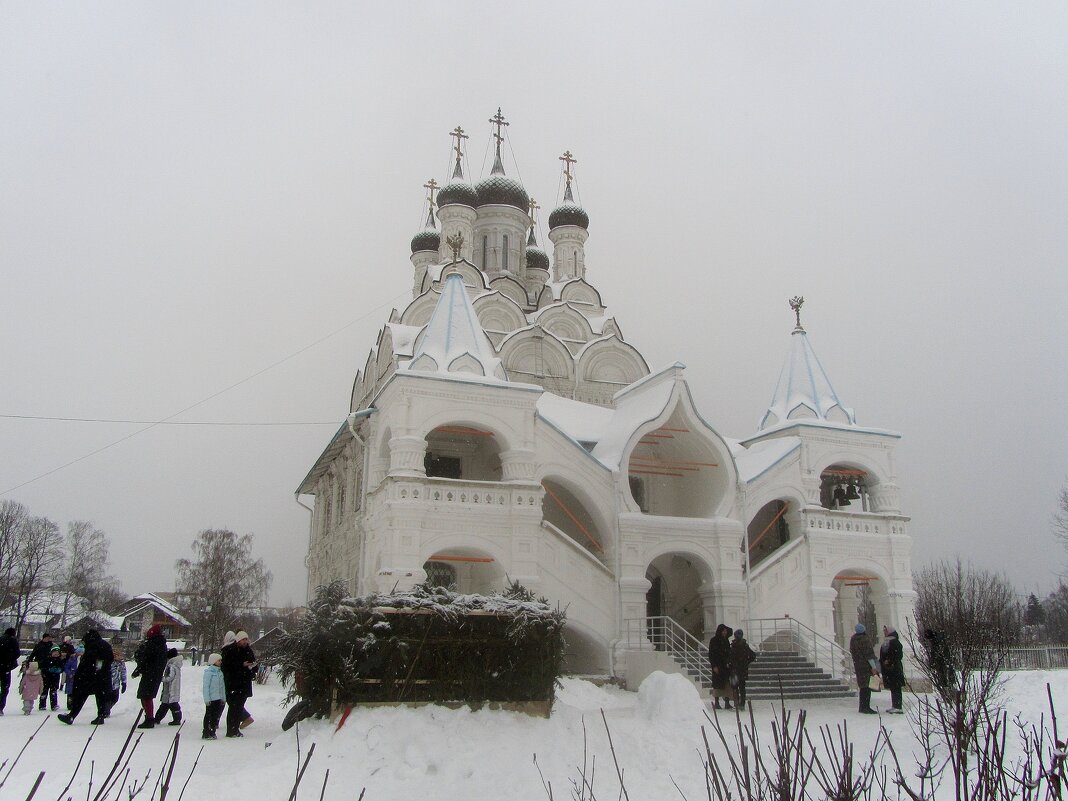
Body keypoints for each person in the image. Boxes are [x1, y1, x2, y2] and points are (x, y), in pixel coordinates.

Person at [57, 630, 114, 725]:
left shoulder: (93, 646)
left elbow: (88, 662)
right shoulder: (104, 645)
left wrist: (82, 673)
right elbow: (109, 659)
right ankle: (100, 716)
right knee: (100, 696)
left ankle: (72, 716)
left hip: (89, 677)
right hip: (101, 677)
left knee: (81, 696)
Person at [131, 624, 168, 728]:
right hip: (156, 674)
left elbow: (145, 659)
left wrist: (138, 670)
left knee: (145, 696)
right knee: (147, 696)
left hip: (149, 674)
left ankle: (149, 718)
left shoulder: (152, 644)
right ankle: (149, 717)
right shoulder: (162, 645)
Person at [221, 630, 257, 737]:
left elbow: (253, 664)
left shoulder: (248, 650)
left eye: (246, 639)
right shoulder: (231, 650)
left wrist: (253, 667)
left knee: (238, 707)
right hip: (233, 684)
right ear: (238, 640)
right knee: (234, 708)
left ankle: (235, 729)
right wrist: (241, 665)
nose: (245, 641)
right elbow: (227, 667)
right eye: (243, 639)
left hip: (244, 684)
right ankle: (232, 730)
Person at [850, 623, 879, 714]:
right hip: (866, 666)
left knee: (863, 687)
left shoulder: (853, 639)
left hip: (858, 665)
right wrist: (874, 667)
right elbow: (869, 655)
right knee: (867, 686)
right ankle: (866, 707)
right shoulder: (865, 639)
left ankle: (862, 706)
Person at [879, 625, 906, 714]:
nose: (884, 632)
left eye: (885, 630)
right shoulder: (887, 641)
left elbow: (898, 655)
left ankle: (898, 706)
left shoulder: (894, 642)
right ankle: (895, 705)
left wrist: (889, 661)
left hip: (894, 668)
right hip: (889, 669)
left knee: (896, 687)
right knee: (893, 687)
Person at [729, 628, 757, 710]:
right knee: (741, 688)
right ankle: (741, 704)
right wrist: (746, 662)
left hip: (735, 669)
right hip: (741, 669)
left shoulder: (735, 645)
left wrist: (732, 663)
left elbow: (730, 656)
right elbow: (752, 656)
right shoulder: (744, 645)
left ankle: (738, 703)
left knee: (736, 688)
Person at [708, 624, 734, 710]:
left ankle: (727, 702)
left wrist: (729, 662)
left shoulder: (726, 640)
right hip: (718, 665)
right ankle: (717, 702)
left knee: (727, 684)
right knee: (717, 685)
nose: (725, 632)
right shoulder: (714, 640)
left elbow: (728, 653)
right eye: (723, 631)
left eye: (725, 631)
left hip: (725, 666)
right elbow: (711, 654)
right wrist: (714, 665)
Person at [154, 648, 183, 725]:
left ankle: (176, 720)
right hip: (173, 689)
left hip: (170, 689)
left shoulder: (171, 666)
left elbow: (170, 678)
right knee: (166, 705)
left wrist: (160, 678)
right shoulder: (176, 665)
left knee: (171, 705)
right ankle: (157, 719)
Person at [924, 628, 955, 697]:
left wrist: (932, 662)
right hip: (944, 661)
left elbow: (935, 653)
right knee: (946, 676)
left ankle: (947, 691)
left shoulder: (936, 641)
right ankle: (947, 689)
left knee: (945, 676)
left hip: (943, 661)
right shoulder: (938, 638)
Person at [202, 652, 225, 739]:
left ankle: (213, 731)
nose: (220, 662)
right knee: (209, 715)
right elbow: (206, 687)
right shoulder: (209, 673)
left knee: (215, 716)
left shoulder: (220, 672)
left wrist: (223, 698)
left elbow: (222, 687)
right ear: (213, 661)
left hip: (218, 699)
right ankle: (206, 732)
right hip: (211, 699)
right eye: (219, 660)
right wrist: (207, 699)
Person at [104, 637, 127, 718]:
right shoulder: (108, 661)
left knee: (115, 698)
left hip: (116, 683)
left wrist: (124, 682)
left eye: (119, 655)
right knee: (107, 698)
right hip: (107, 682)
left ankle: (106, 709)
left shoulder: (121, 663)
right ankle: (105, 711)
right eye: (116, 654)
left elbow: (123, 672)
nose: (118, 656)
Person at [0, 627, 20, 715]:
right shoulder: (13, 641)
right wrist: (10, 660)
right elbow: (17, 654)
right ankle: (0, 707)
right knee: (5, 688)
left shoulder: (0, 639)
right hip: (6, 668)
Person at [41, 644, 64, 710]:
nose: (56, 654)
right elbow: (43, 667)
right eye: (54, 652)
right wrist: (48, 670)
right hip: (46, 678)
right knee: (44, 691)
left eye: (57, 653)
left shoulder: (59, 660)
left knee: (53, 692)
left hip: (55, 678)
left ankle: (54, 705)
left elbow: (62, 668)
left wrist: (59, 670)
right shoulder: (47, 659)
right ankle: (42, 705)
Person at [61, 641, 79, 710]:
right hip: (71, 678)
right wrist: (70, 674)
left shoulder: (81, 659)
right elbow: (66, 668)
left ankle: (75, 703)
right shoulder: (71, 659)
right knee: (70, 692)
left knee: (77, 691)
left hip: (78, 678)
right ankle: (70, 704)